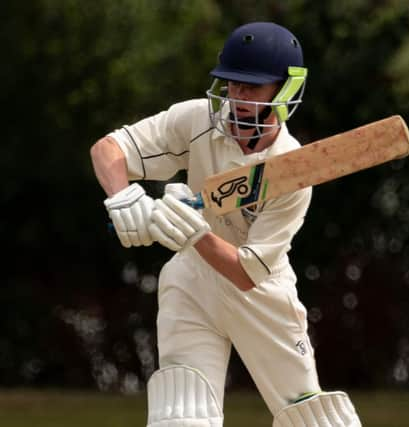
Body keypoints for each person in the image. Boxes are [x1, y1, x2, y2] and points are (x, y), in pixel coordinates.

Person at [90, 22, 361, 427]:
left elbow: (247, 272)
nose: (238, 96)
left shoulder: (293, 171)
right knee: (181, 414)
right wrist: (124, 198)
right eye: (232, 84)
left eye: (252, 87)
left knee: (310, 418)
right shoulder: (198, 120)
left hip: (261, 295)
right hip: (192, 284)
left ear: (285, 90)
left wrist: (194, 232)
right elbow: (109, 148)